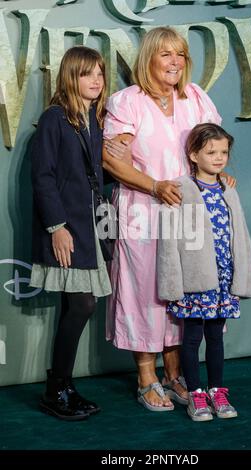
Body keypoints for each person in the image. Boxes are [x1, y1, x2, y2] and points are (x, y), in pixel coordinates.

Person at [102, 27, 234, 411]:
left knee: (183, 291)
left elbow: (213, 144)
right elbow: (113, 158)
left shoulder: (195, 97)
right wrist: (155, 186)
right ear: (148, 60)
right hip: (144, 212)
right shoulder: (127, 102)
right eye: (165, 55)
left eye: (179, 54)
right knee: (145, 293)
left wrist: (218, 174)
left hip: (191, 213)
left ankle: (176, 374)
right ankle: (147, 377)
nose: (175, 61)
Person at [30, 46, 127, 421]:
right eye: (88, 74)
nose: (97, 80)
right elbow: (43, 177)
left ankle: (62, 387)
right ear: (71, 77)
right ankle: (56, 390)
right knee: (82, 304)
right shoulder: (55, 118)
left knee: (77, 305)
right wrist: (57, 227)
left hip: (89, 226)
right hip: (67, 228)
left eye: (100, 73)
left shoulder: (91, 119)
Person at [157, 123, 251, 421]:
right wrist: (173, 282)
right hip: (195, 281)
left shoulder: (229, 189)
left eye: (224, 152)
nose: (218, 158)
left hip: (223, 279)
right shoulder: (181, 189)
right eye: (211, 152)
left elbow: (240, 234)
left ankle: (217, 391)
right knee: (192, 338)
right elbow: (169, 239)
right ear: (193, 154)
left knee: (216, 337)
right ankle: (196, 395)